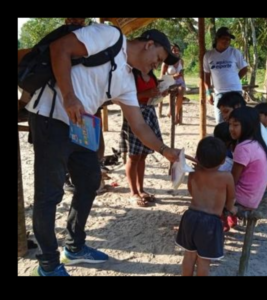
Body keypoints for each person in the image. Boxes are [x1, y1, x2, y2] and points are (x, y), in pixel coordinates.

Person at [26, 24, 180, 276]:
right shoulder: (110, 36)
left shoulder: (127, 80)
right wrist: (69, 96)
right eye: (159, 58)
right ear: (148, 44)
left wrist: (166, 151)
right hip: (50, 116)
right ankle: (48, 264)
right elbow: (60, 48)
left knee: (89, 183)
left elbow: (139, 125)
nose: (157, 65)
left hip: (81, 127)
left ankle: (74, 247)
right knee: (49, 194)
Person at [176, 136, 237, 276]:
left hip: (190, 217)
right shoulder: (226, 177)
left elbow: (191, 190)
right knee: (204, 261)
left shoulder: (193, 173)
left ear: (198, 157)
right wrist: (230, 209)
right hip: (210, 222)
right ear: (223, 161)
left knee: (189, 255)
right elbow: (231, 198)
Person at [119, 68, 168, 207]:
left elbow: (151, 97)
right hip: (134, 114)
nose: (156, 61)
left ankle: (141, 189)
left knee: (143, 154)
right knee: (133, 156)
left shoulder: (151, 75)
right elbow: (125, 97)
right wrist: (146, 93)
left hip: (149, 112)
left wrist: (160, 93)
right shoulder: (131, 75)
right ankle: (133, 192)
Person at [217, 92, 267, 184]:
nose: (224, 117)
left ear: (237, 106)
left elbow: (234, 178)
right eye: (222, 113)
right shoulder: (251, 122)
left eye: (226, 111)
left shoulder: (247, 128)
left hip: (264, 180)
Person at [203, 27, 248, 124]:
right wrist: (208, 93)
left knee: (237, 120)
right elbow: (206, 75)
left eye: (229, 39)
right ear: (217, 39)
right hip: (219, 93)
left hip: (235, 91)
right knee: (221, 122)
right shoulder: (208, 56)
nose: (227, 41)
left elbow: (244, 68)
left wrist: (236, 78)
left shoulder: (234, 52)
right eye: (224, 38)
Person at [229, 107, 267, 210]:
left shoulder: (243, 147)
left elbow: (232, 180)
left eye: (235, 125)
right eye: (230, 124)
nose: (231, 129)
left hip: (243, 198)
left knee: (209, 182)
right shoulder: (257, 143)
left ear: (248, 126)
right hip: (254, 198)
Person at [160, 44, 186, 124]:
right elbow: (162, 76)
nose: (176, 52)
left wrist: (184, 82)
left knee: (181, 89)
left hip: (180, 82)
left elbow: (182, 74)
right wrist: (174, 76)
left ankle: (175, 114)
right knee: (174, 92)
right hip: (170, 82)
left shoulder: (181, 61)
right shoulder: (166, 63)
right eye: (174, 50)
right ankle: (173, 113)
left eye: (177, 50)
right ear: (170, 51)